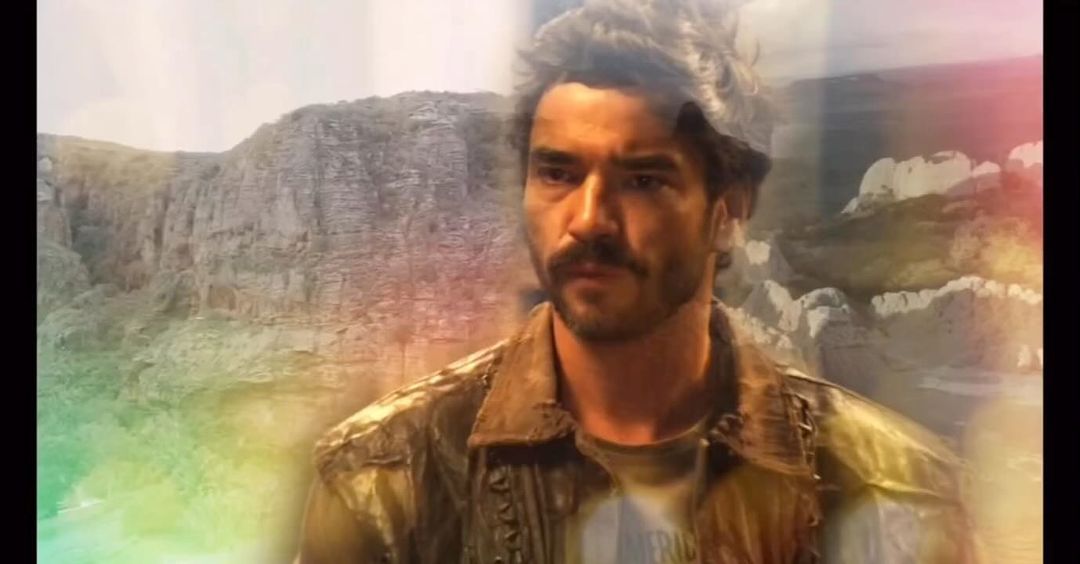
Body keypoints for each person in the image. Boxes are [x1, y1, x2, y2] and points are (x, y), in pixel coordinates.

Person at [296, 1, 979, 562]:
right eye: (558, 173)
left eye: (644, 179)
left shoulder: (893, 489)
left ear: (729, 209)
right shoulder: (384, 484)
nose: (589, 219)